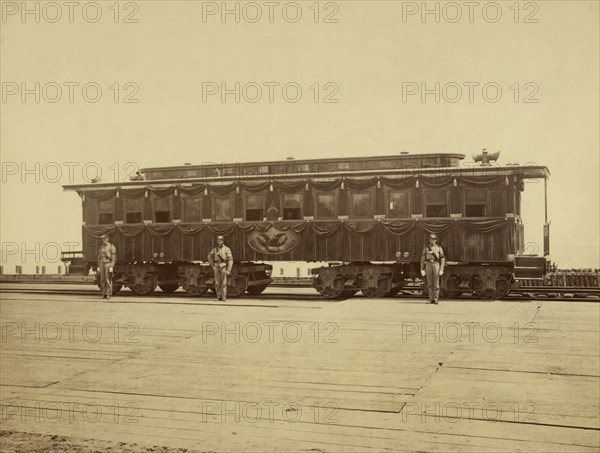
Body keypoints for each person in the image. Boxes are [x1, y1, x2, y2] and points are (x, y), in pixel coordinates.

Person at [420, 233, 445, 304]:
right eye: (431, 239)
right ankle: (430, 298)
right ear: (429, 240)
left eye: (433, 239)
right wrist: (422, 269)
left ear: (436, 240)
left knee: (436, 283)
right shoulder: (426, 248)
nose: (432, 241)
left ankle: (436, 298)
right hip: (428, 265)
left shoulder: (439, 248)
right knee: (429, 283)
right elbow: (422, 259)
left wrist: (441, 269)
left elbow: (442, 259)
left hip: (436, 264)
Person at [208, 235, 233, 301]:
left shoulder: (227, 249)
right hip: (216, 266)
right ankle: (218, 297)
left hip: (223, 266)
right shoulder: (215, 249)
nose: (219, 242)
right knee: (217, 283)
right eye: (218, 241)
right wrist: (213, 265)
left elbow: (230, 260)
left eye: (220, 240)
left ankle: (224, 297)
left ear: (223, 241)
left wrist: (228, 270)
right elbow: (209, 256)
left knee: (224, 283)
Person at [97, 234, 117, 300]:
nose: (103, 240)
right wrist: (98, 266)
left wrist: (111, 266)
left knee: (107, 279)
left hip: (108, 264)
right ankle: (104, 293)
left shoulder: (111, 246)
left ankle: (108, 293)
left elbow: (114, 257)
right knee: (102, 280)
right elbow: (99, 257)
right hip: (101, 264)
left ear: (107, 239)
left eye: (104, 239)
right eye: (102, 239)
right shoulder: (101, 247)